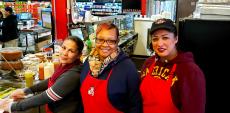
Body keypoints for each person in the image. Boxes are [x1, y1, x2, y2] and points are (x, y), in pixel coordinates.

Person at [0, 36, 84, 113]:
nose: (65, 53)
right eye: (64, 48)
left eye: (71, 51)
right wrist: (26, 91)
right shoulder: (66, 65)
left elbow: (46, 97)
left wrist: (13, 106)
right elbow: (51, 80)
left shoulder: (73, 75)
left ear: (78, 55)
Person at [140, 18, 206, 113]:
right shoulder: (149, 63)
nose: (160, 43)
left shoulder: (190, 71)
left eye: (165, 37)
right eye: (155, 39)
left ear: (176, 39)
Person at [80, 22, 142, 113]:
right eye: (100, 39)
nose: (105, 45)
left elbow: (135, 106)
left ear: (117, 41)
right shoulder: (88, 62)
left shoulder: (128, 69)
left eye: (111, 41)